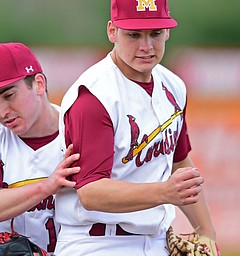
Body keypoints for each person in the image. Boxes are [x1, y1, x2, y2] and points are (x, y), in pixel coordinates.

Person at [54, 0, 219, 255]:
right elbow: (90, 191)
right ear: (112, 32)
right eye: (133, 34)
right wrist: (164, 192)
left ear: (167, 32)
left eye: (154, 33)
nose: (146, 46)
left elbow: (180, 162)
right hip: (97, 242)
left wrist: (207, 234)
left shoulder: (173, 85)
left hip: (157, 240)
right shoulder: (95, 96)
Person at [0, 42, 80, 255]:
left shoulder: (79, 132)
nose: (2, 111)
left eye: (9, 95)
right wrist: (47, 186)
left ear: (39, 84)